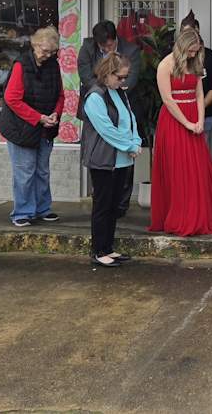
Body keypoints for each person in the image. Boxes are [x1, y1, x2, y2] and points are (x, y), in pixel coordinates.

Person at [149, 29, 212, 236]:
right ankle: (179, 216)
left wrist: (198, 119)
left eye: (195, 51)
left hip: (193, 116)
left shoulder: (195, 63)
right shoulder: (165, 65)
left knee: (198, 168)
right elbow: (168, 100)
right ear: (181, 46)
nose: (192, 55)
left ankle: (198, 214)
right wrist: (187, 123)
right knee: (178, 168)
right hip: (173, 120)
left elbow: (199, 94)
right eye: (190, 51)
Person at [81, 53, 142, 266]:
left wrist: (136, 140)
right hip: (104, 159)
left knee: (114, 205)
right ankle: (98, 251)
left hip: (122, 158)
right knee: (103, 205)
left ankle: (108, 247)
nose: (124, 81)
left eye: (126, 77)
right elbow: (106, 129)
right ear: (107, 74)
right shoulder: (95, 96)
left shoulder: (118, 92)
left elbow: (130, 118)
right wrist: (129, 145)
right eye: (120, 77)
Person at [0, 27, 64, 227]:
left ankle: (42, 208)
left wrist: (56, 113)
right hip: (21, 128)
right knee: (25, 171)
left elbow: (60, 95)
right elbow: (12, 99)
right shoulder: (21, 64)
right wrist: (38, 118)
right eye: (45, 51)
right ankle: (23, 211)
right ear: (35, 45)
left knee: (42, 170)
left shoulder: (53, 65)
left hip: (45, 125)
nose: (48, 55)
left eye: (52, 52)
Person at [78, 20, 140, 218]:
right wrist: (103, 87)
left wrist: (119, 86)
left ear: (115, 39)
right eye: (103, 46)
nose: (107, 48)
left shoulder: (130, 50)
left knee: (123, 175)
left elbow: (131, 80)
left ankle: (121, 206)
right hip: (101, 103)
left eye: (110, 45)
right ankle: (101, 246)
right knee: (103, 190)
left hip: (121, 101)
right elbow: (86, 74)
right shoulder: (87, 48)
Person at [178, 14, 212, 136]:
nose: (191, 37)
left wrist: (200, 106)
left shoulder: (209, 56)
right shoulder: (171, 59)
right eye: (186, 34)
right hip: (178, 115)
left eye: (194, 33)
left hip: (204, 115)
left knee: (199, 153)